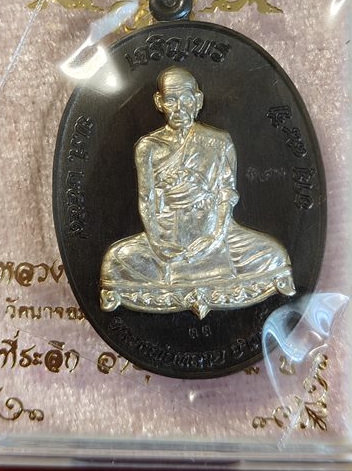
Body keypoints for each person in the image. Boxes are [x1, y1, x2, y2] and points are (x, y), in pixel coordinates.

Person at [100, 66, 295, 319]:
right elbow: (146, 199)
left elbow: (226, 194)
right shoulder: (149, 147)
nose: (179, 108)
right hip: (167, 242)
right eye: (171, 100)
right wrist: (157, 243)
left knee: (274, 255)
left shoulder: (219, 141)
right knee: (115, 261)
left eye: (186, 99)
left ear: (198, 100)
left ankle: (190, 278)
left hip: (218, 236)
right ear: (159, 102)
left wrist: (214, 236)